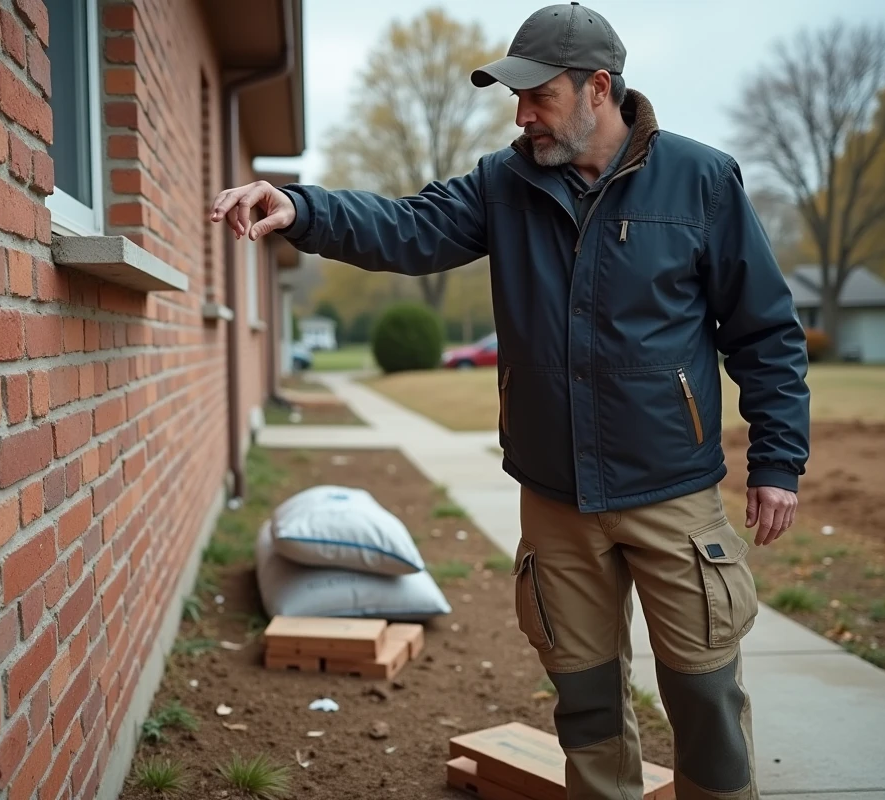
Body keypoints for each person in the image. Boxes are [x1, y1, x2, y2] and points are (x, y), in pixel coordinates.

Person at [210, 4, 810, 798]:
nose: (522, 115)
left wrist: (777, 461)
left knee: (705, 698)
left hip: (672, 491)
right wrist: (306, 209)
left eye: (539, 96)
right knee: (586, 701)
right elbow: (408, 227)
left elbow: (765, 330)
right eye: (516, 98)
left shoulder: (700, 180)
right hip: (556, 498)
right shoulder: (506, 181)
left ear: (599, 88)